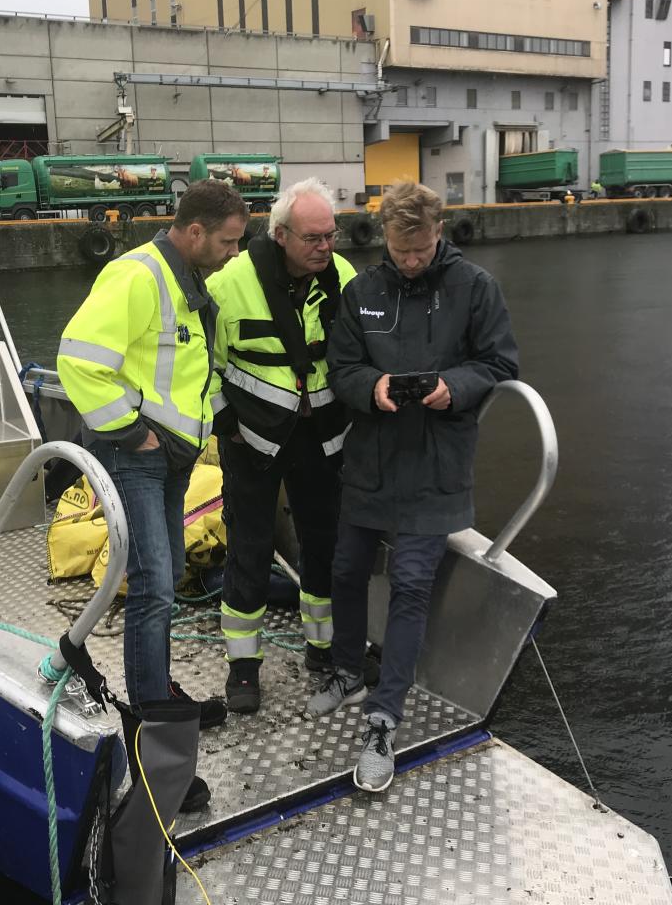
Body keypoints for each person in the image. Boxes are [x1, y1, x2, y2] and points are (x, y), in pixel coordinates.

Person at [306, 180, 519, 793]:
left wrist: (454, 386)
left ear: (437, 234)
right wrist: (370, 388)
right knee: (345, 569)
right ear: (387, 240)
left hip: (435, 466)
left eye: (420, 252)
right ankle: (348, 670)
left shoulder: (475, 288)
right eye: (401, 253)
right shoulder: (363, 292)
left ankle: (383, 716)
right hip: (370, 458)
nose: (410, 262)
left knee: (412, 584)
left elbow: (501, 365)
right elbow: (341, 368)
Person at [56, 179, 249, 740]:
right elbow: (78, 361)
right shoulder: (138, 276)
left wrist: (218, 425)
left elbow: (188, 372)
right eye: (229, 243)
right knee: (154, 583)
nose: (234, 254)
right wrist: (132, 432)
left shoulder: (188, 279)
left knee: (162, 574)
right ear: (195, 232)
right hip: (137, 457)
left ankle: (156, 688)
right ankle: (149, 714)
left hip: (172, 457)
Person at [207, 178, 356, 713]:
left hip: (322, 437)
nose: (324, 247)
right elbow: (205, 365)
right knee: (248, 546)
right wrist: (226, 424)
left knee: (324, 543)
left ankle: (322, 650)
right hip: (251, 439)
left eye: (330, 236)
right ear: (282, 234)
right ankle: (243, 669)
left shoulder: (343, 278)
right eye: (313, 238)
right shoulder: (230, 285)